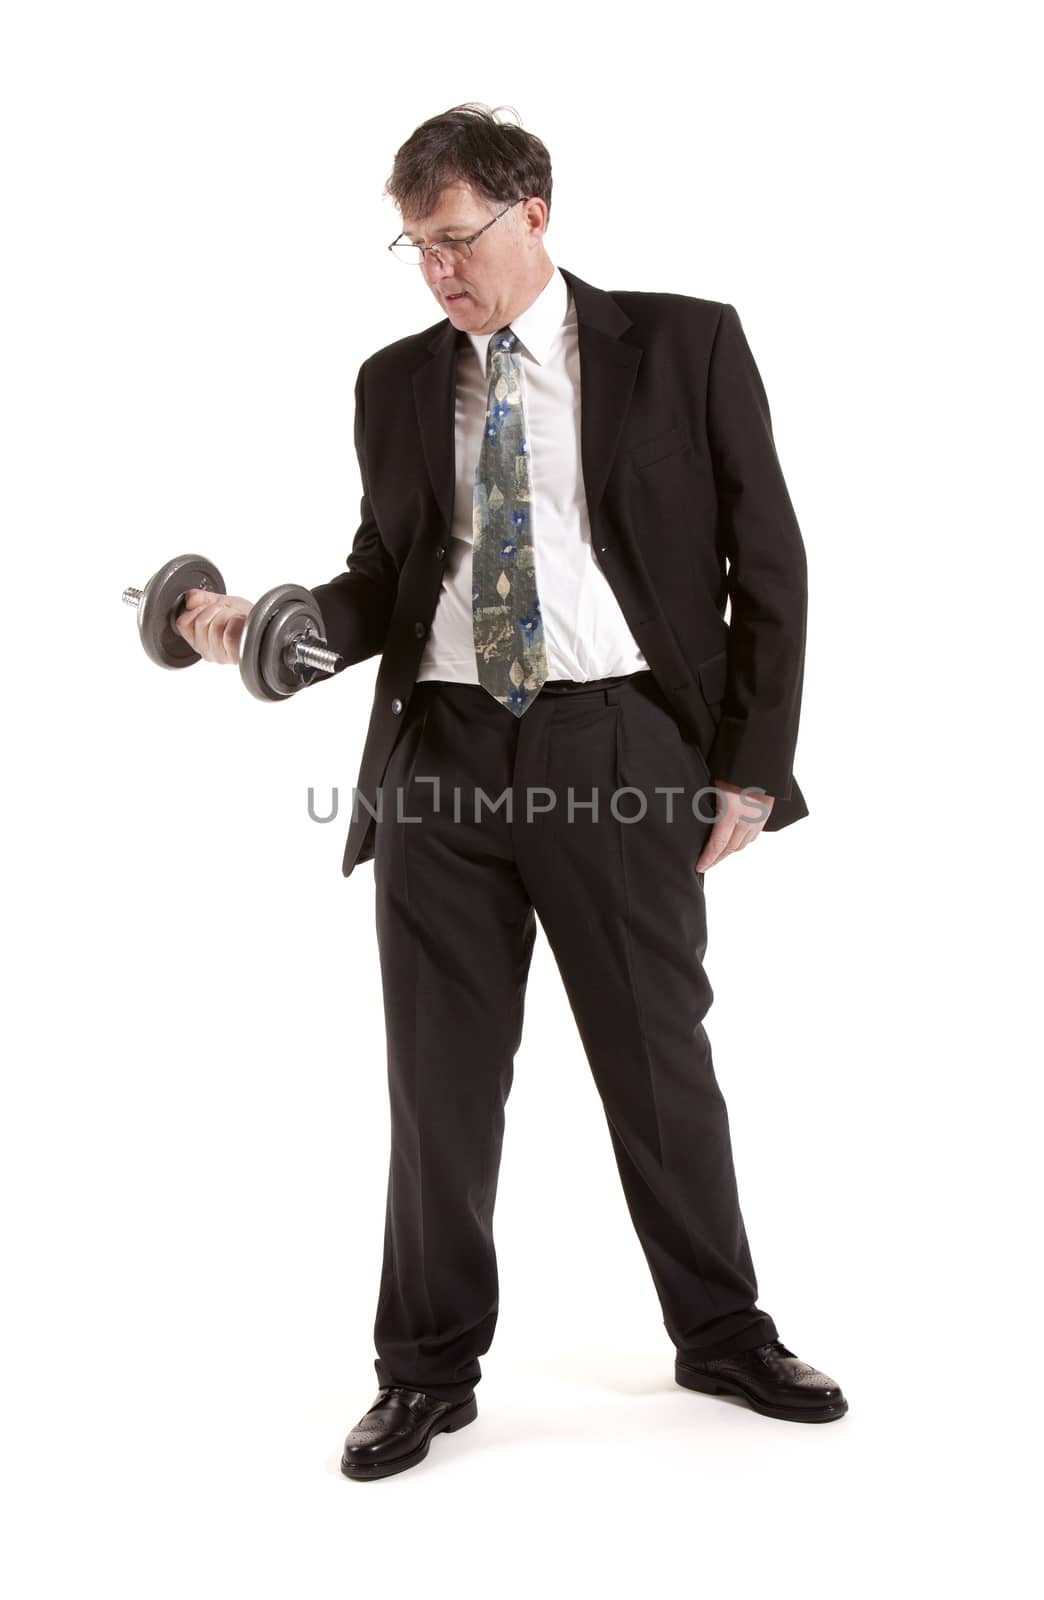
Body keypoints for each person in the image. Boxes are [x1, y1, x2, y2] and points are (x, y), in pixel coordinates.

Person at [176, 102, 847, 1482]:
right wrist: (284, 628)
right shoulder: (394, 384)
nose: (438, 270)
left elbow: (768, 568)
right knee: (439, 1085)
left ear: (534, 213)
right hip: (443, 765)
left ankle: (721, 1332)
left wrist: (748, 772)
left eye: (458, 237)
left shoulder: (687, 344)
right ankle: (424, 1374)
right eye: (415, 246)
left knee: (660, 1062)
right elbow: (386, 575)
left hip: (617, 747)